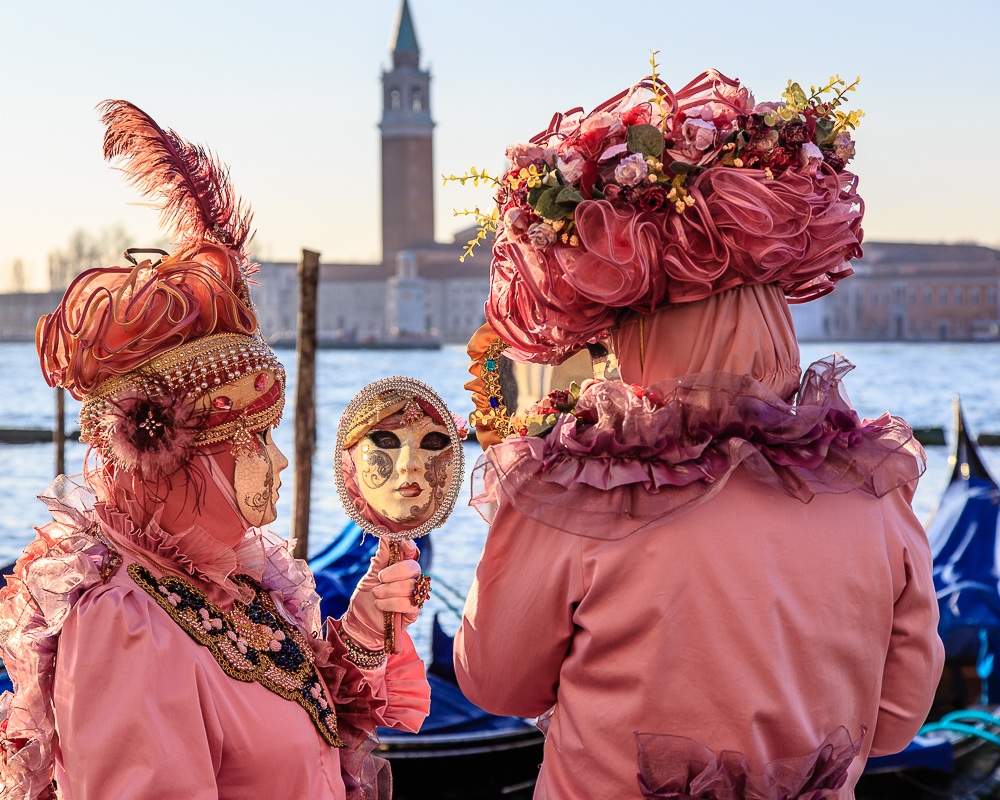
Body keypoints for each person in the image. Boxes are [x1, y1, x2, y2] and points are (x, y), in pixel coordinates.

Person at [454, 69, 943, 799]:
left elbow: (496, 681)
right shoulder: (874, 492)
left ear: (632, 329)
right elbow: (898, 720)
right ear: (775, 317)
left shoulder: (572, 489)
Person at [0, 100, 429, 800]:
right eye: (255, 440)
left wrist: (365, 627)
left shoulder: (235, 586)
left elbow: (307, 728)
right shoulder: (126, 626)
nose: (281, 463)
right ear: (177, 452)